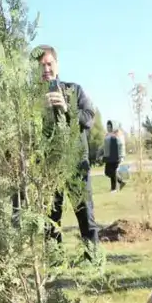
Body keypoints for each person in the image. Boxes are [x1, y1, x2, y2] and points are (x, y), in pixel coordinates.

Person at [35, 44, 100, 259]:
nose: (45, 69)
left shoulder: (75, 90)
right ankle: (55, 259)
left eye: (49, 63)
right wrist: (38, 111)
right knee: (51, 215)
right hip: (48, 166)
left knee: (85, 211)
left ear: (57, 65)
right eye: (41, 65)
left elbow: (89, 117)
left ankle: (92, 258)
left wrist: (67, 108)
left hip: (76, 163)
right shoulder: (32, 98)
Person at [103, 120, 126, 192]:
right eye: (107, 127)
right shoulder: (107, 135)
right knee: (107, 172)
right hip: (108, 157)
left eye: (110, 127)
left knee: (113, 172)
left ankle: (114, 188)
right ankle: (121, 182)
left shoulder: (118, 134)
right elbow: (105, 146)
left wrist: (121, 156)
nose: (108, 128)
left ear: (113, 127)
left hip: (116, 156)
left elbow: (121, 146)